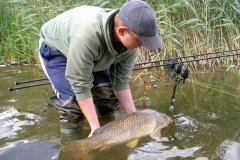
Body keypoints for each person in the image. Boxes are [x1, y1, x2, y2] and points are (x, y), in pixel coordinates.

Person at [38, 0, 163, 138]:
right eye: (140, 41)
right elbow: (80, 85)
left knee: (106, 95)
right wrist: (96, 131)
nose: (142, 46)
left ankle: (105, 124)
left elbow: (120, 83)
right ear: (122, 31)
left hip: (90, 51)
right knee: (71, 106)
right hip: (56, 50)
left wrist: (135, 118)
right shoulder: (86, 37)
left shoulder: (131, 47)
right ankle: (71, 143)